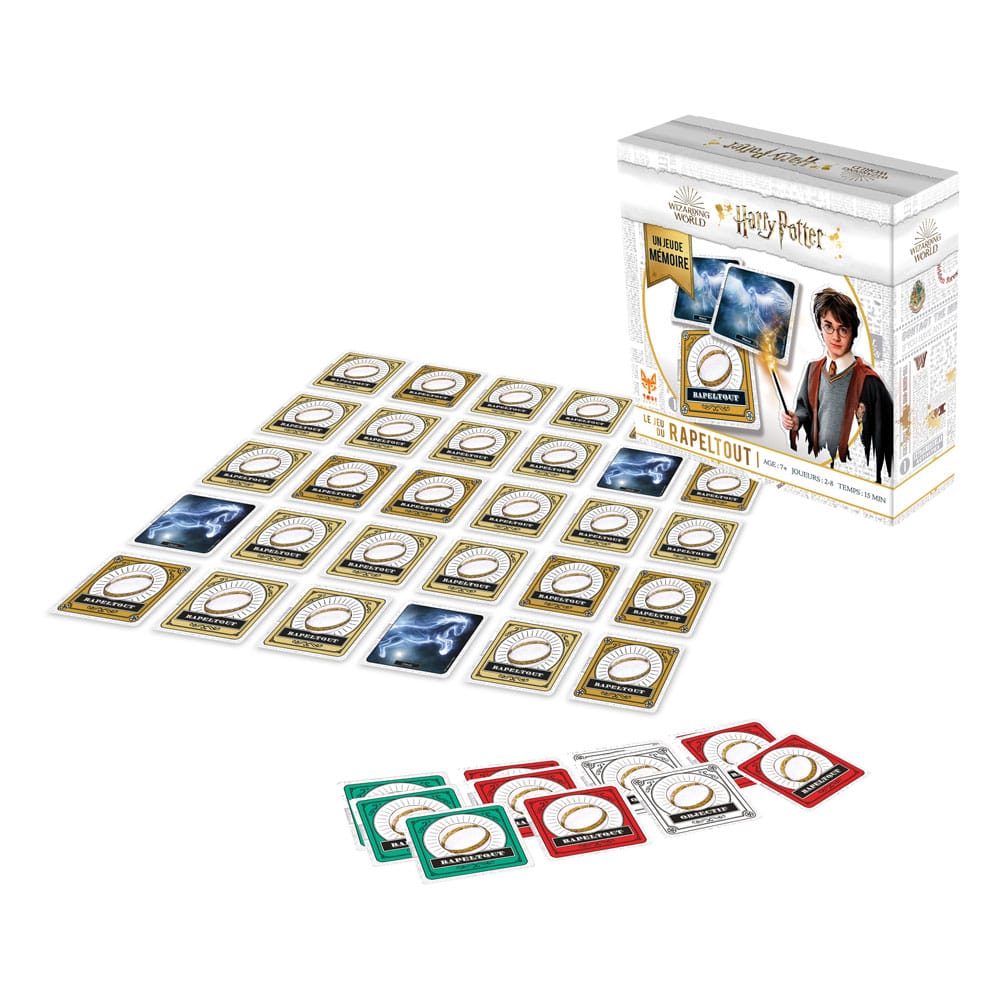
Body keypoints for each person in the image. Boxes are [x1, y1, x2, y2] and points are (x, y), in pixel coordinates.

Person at [780, 288, 893, 483]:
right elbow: (805, 410)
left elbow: (883, 438)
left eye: (843, 329)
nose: (835, 337)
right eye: (828, 327)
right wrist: (796, 421)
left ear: (853, 331)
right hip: (820, 468)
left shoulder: (869, 382)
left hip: (853, 474)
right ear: (820, 326)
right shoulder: (813, 371)